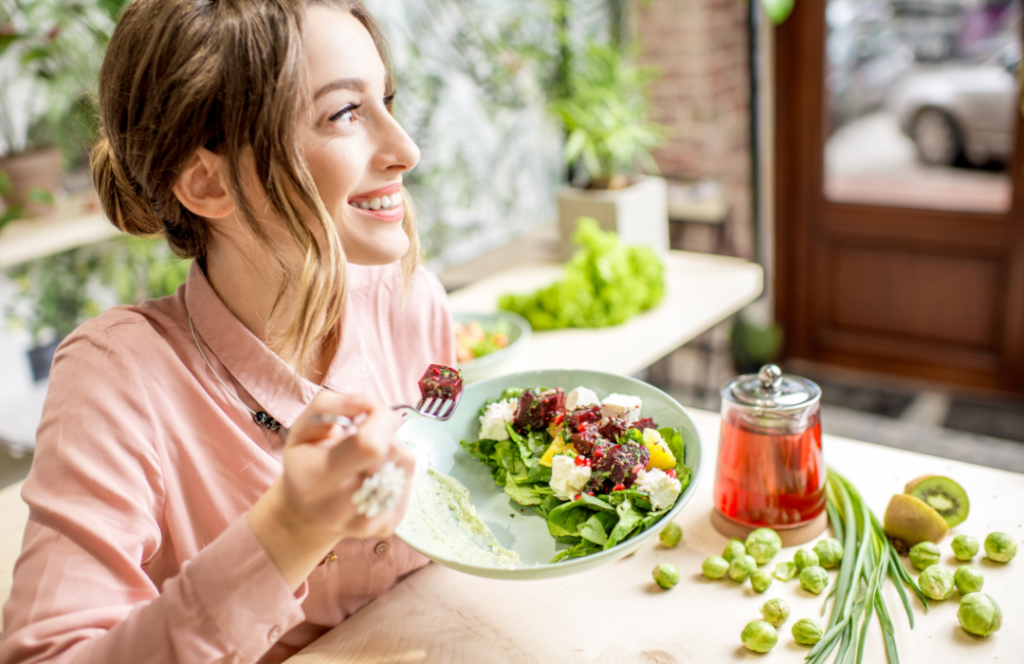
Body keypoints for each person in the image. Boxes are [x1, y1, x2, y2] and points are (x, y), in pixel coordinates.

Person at [0, 1, 456, 662]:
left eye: (385, 99)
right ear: (209, 183)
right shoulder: (115, 380)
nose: (405, 150)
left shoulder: (415, 302)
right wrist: (291, 528)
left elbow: (450, 469)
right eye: (345, 114)